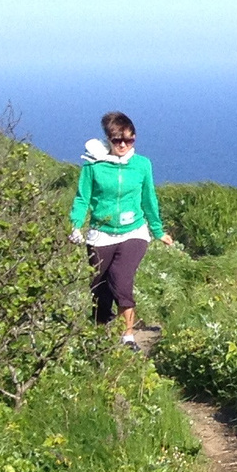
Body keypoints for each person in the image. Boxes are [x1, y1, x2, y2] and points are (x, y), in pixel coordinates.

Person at [70, 111, 167, 343]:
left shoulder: (142, 165)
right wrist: (75, 225)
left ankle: (128, 336)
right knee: (99, 288)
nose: (123, 144)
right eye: (117, 140)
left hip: (134, 232)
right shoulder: (93, 166)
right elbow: (83, 198)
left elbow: (148, 199)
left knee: (121, 279)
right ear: (108, 139)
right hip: (100, 235)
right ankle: (100, 335)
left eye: (129, 139)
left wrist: (158, 230)